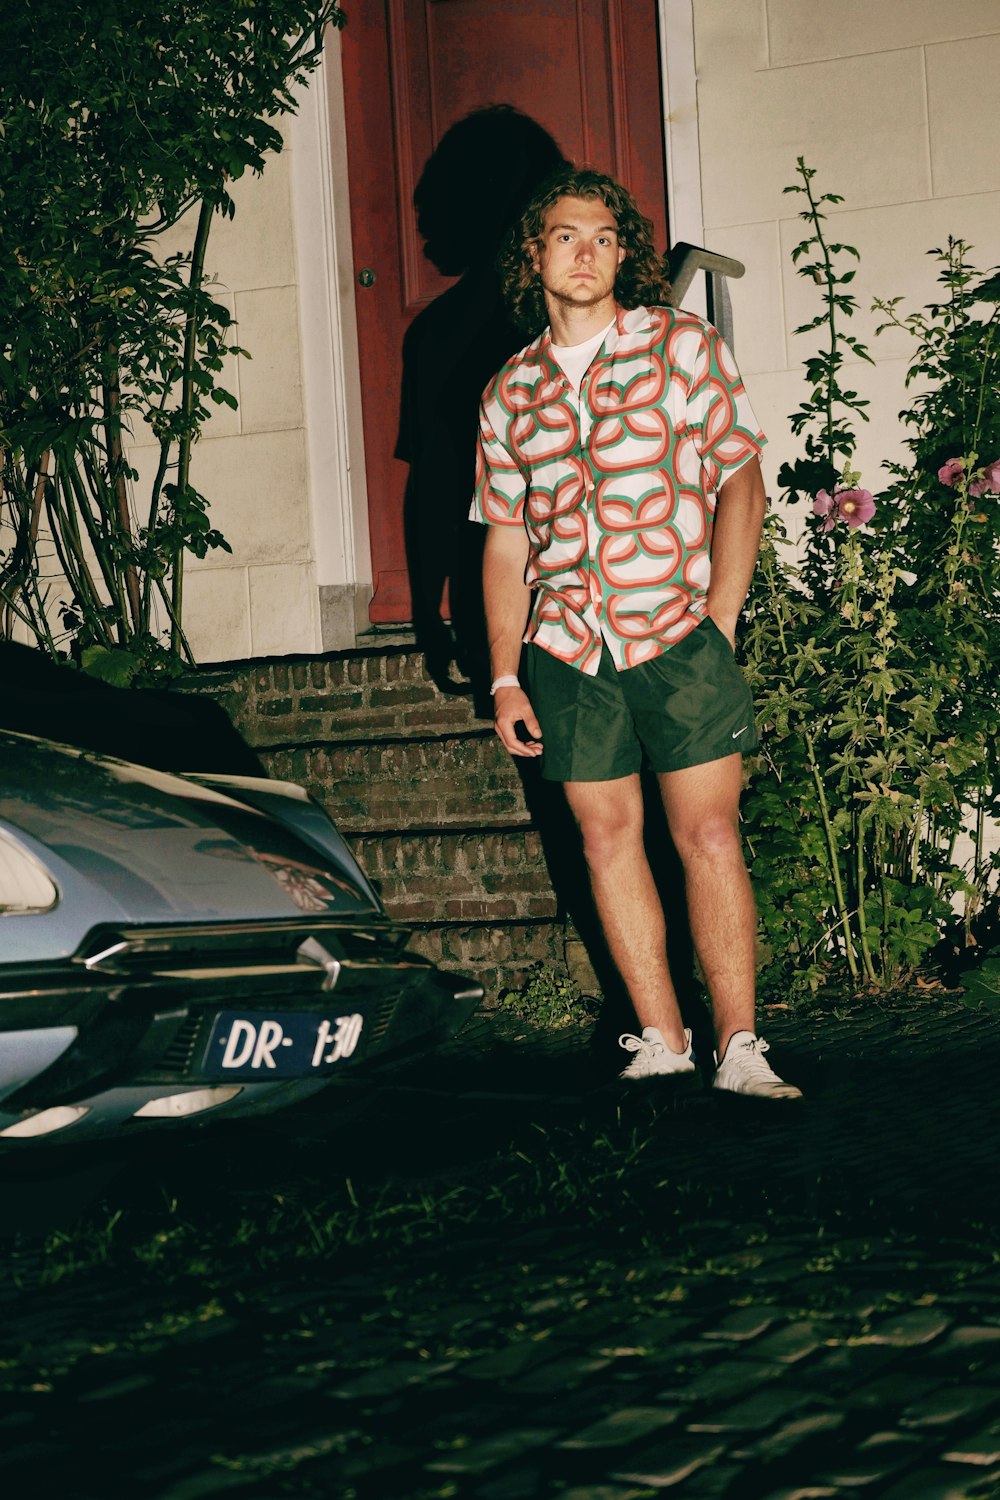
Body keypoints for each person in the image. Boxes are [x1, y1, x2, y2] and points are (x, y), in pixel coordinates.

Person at [470, 167, 801, 1099]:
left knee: (708, 835)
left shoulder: (681, 347)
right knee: (606, 839)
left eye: (605, 237)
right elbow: (505, 541)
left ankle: (740, 1046)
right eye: (567, 235)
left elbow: (740, 476)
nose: (587, 253)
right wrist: (504, 675)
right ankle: (662, 1036)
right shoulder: (510, 391)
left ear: (626, 252)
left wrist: (722, 619)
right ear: (533, 252)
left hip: (677, 631)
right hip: (568, 649)